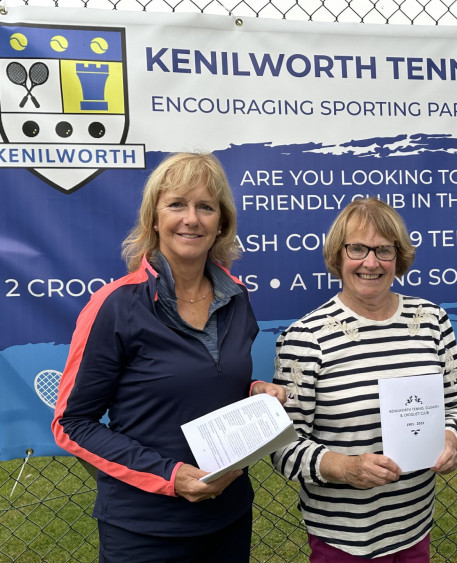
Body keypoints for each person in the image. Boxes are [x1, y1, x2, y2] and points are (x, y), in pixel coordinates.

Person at [52, 152, 286, 563]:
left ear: (221, 224)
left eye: (206, 207)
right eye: (176, 204)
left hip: (229, 518)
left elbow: (209, 380)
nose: (191, 219)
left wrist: (254, 391)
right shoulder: (115, 305)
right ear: (154, 219)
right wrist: (171, 477)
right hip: (145, 530)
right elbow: (72, 424)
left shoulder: (237, 297)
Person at [271, 197, 457, 561]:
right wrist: (345, 468)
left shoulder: (432, 321)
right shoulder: (306, 337)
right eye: (358, 248)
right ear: (338, 255)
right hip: (342, 540)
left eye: (383, 250)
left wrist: (452, 439)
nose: (371, 262)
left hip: (414, 527)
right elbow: (284, 449)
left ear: (399, 257)